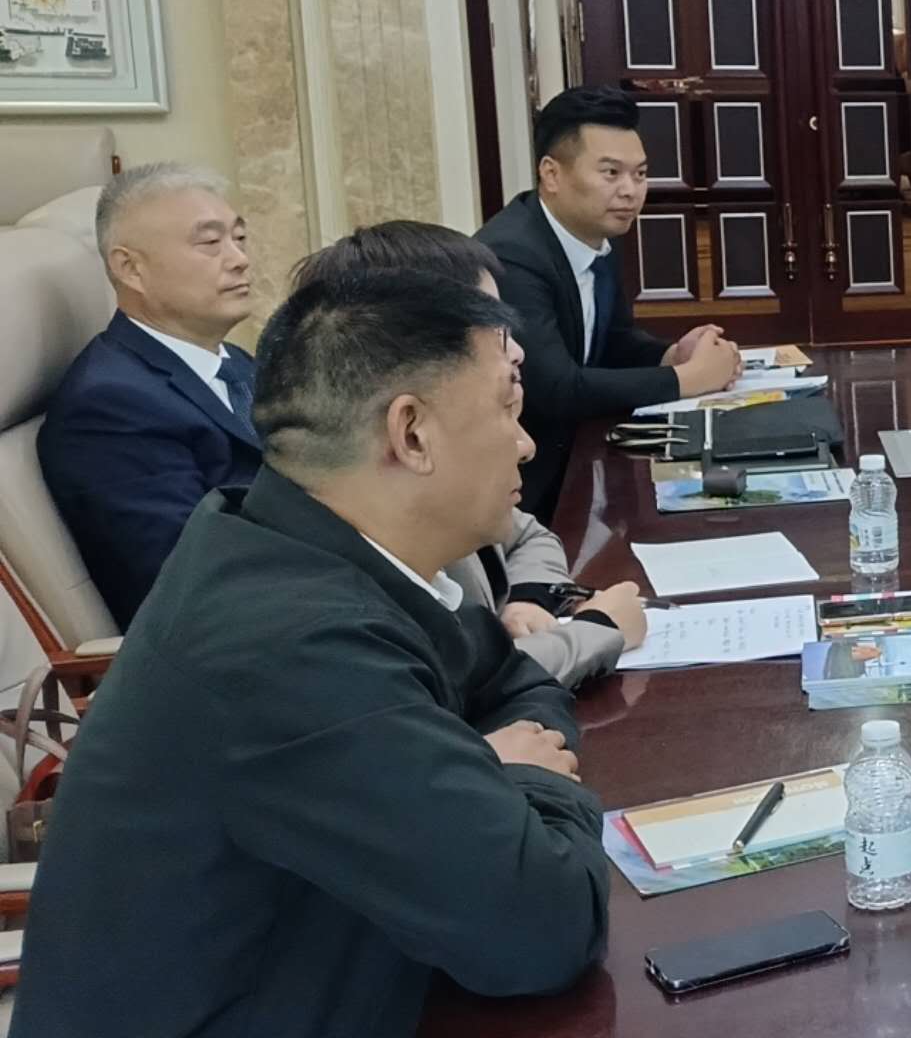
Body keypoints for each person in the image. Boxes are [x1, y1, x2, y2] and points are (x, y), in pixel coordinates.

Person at [13, 268, 612, 1037]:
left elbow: (511, 677)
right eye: (506, 406)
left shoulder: (291, 543)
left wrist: (484, 774)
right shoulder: (290, 644)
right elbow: (547, 927)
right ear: (411, 433)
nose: (526, 444)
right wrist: (523, 777)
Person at [295, 220, 649, 688]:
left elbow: (528, 532)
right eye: (495, 332)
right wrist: (598, 630)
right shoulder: (355, 564)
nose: (517, 352)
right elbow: (463, 688)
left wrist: (528, 596)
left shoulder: (443, 479)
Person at [477, 85, 742, 514]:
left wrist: (671, 355)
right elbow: (555, 388)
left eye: (640, 174)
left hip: (584, 462)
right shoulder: (513, 255)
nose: (630, 191)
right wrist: (688, 379)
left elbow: (613, 341)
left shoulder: (595, 235)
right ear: (551, 174)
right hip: (527, 486)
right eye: (611, 173)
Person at [37, 163, 264, 628]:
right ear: (131, 268)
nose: (239, 258)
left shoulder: (235, 362)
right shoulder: (109, 407)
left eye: (239, 238)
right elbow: (190, 581)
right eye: (210, 243)